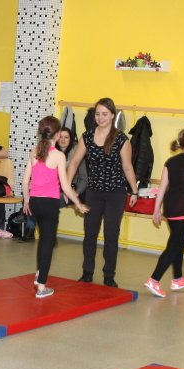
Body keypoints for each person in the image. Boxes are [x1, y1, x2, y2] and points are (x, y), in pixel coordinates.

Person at [66, 97, 138, 287]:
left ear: (112, 115)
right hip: (94, 192)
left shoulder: (121, 139)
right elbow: (74, 163)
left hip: (116, 193)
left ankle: (109, 275)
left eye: (105, 114)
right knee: (90, 233)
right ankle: (87, 272)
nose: (100, 118)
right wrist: (67, 185)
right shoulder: (87, 136)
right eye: (97, 114)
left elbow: (128, 167)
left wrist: (135, 191)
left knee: (111, 234)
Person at [22, 116, 88, 298]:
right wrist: (78, 203)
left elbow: (25, 181)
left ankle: (39, 275)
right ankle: (42, 287)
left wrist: (27, 201)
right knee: (47, 242)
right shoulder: (59, 156)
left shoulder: (34, 151)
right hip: (49, 203)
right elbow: (65, 186)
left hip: (35, 202)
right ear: (57, 134)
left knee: (43, 239)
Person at [144, 126, 184, 297]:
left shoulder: (170, 161)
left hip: (170, 208)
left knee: (179, 242)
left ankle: (178, 278)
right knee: (174, 245)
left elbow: (162, 187)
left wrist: (157, 209)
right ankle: (154, 280)